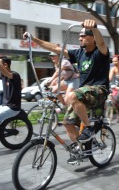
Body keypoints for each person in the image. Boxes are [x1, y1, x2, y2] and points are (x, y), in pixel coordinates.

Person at [23, 19, 109, 163]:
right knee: (67, 122)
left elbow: (101, 43)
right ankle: (82, 149)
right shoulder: (79, 53)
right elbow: (56, 49)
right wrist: (34, 39)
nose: (80, 38)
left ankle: (88, 127)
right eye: (79, 36)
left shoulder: (101, 52)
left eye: (83, 35)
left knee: (72, 95)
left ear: (92, 38)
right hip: (85, 93)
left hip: (100, 90)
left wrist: (94, 28)